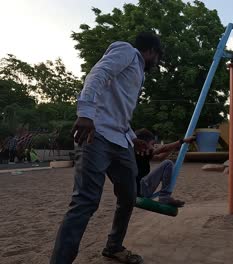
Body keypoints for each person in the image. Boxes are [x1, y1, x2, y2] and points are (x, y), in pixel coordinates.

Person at [50, 31, 162, 264]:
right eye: (158, 57)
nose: (157, 63)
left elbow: (117, 109)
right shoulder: (127, 51)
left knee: (129, 196)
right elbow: (97, 73)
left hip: (120, 141)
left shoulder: (138, 72)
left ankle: (113, 247)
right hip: (96, 134)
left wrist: (132, 137)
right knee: (86, 200)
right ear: (151, 51)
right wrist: (85, 112)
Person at [134, 128, 195, 206]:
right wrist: (182, 141)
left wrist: (174, 147)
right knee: (168, 163)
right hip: (139, 190)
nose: (153, 147)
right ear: (143, 143)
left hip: (138, 190)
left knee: (167, 164)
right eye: (152, 144)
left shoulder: (141, 153)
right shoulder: (140, 151)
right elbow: (161, 149)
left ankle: (164, 197)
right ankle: (164, 197)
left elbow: (160, 157)